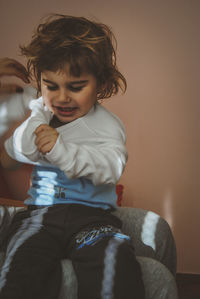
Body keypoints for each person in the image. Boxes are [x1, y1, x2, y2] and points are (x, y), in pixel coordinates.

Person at [0, 14, 145, 299]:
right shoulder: (40, 111)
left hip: (93, 218)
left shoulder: (107, 125)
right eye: (50, 85)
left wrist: (61, 150)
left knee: (116, 263)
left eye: (76, 87)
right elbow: (16, 151)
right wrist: (38, 113)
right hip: (40, 215)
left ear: (101, 84)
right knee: (22, 267)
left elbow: (110, 168)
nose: (62, 97)